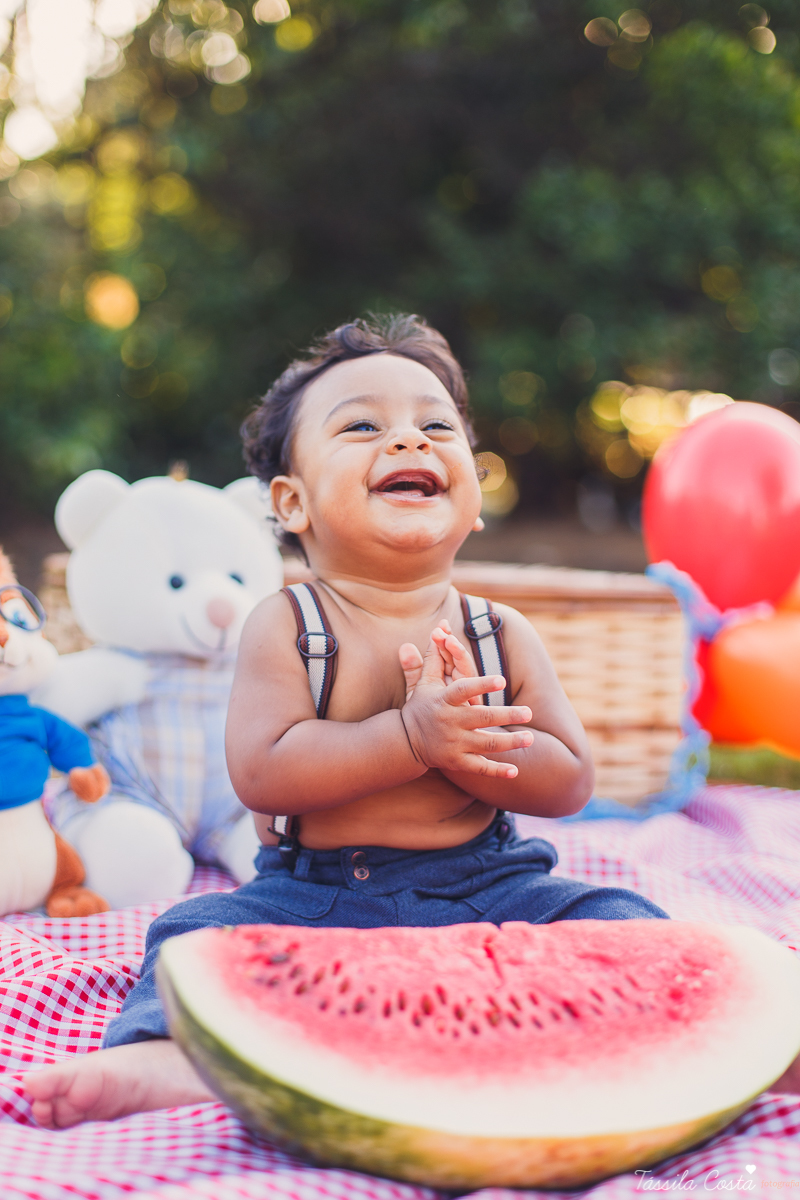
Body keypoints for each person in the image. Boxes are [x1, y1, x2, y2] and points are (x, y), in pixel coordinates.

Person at [23, 313, 670, 1130]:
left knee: (626, 924)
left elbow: (569, 779)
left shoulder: (500, 631)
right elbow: (263, 771)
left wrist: (471, 752)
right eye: (363, 426)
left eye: (436, 427)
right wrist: (410, 739)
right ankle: (164, 1057)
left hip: (491, 886)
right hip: (317, 895)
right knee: (190, 936)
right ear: (290, 503)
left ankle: (671, 1049)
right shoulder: (287, 622)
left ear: (472, 495)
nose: (408, 442)